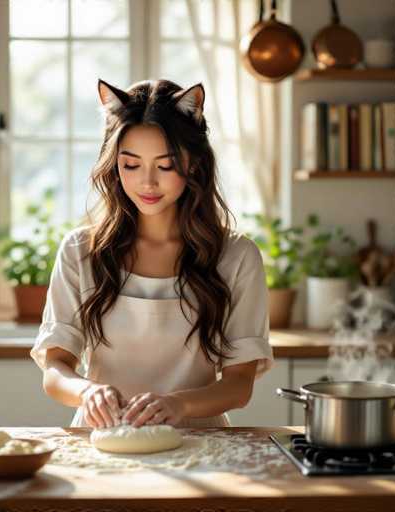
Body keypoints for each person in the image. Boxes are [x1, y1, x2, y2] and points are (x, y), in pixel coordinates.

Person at [30, 78, 274, 430]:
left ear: (193, 164)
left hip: (200, 442)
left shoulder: (237, 256)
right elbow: (55, 370)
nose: (147, 182)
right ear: (114, 165)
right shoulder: (80, 251)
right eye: (131, 165)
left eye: (165, 165)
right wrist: (87, 392)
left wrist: (179, 404)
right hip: (103, 442)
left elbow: (239, 385)